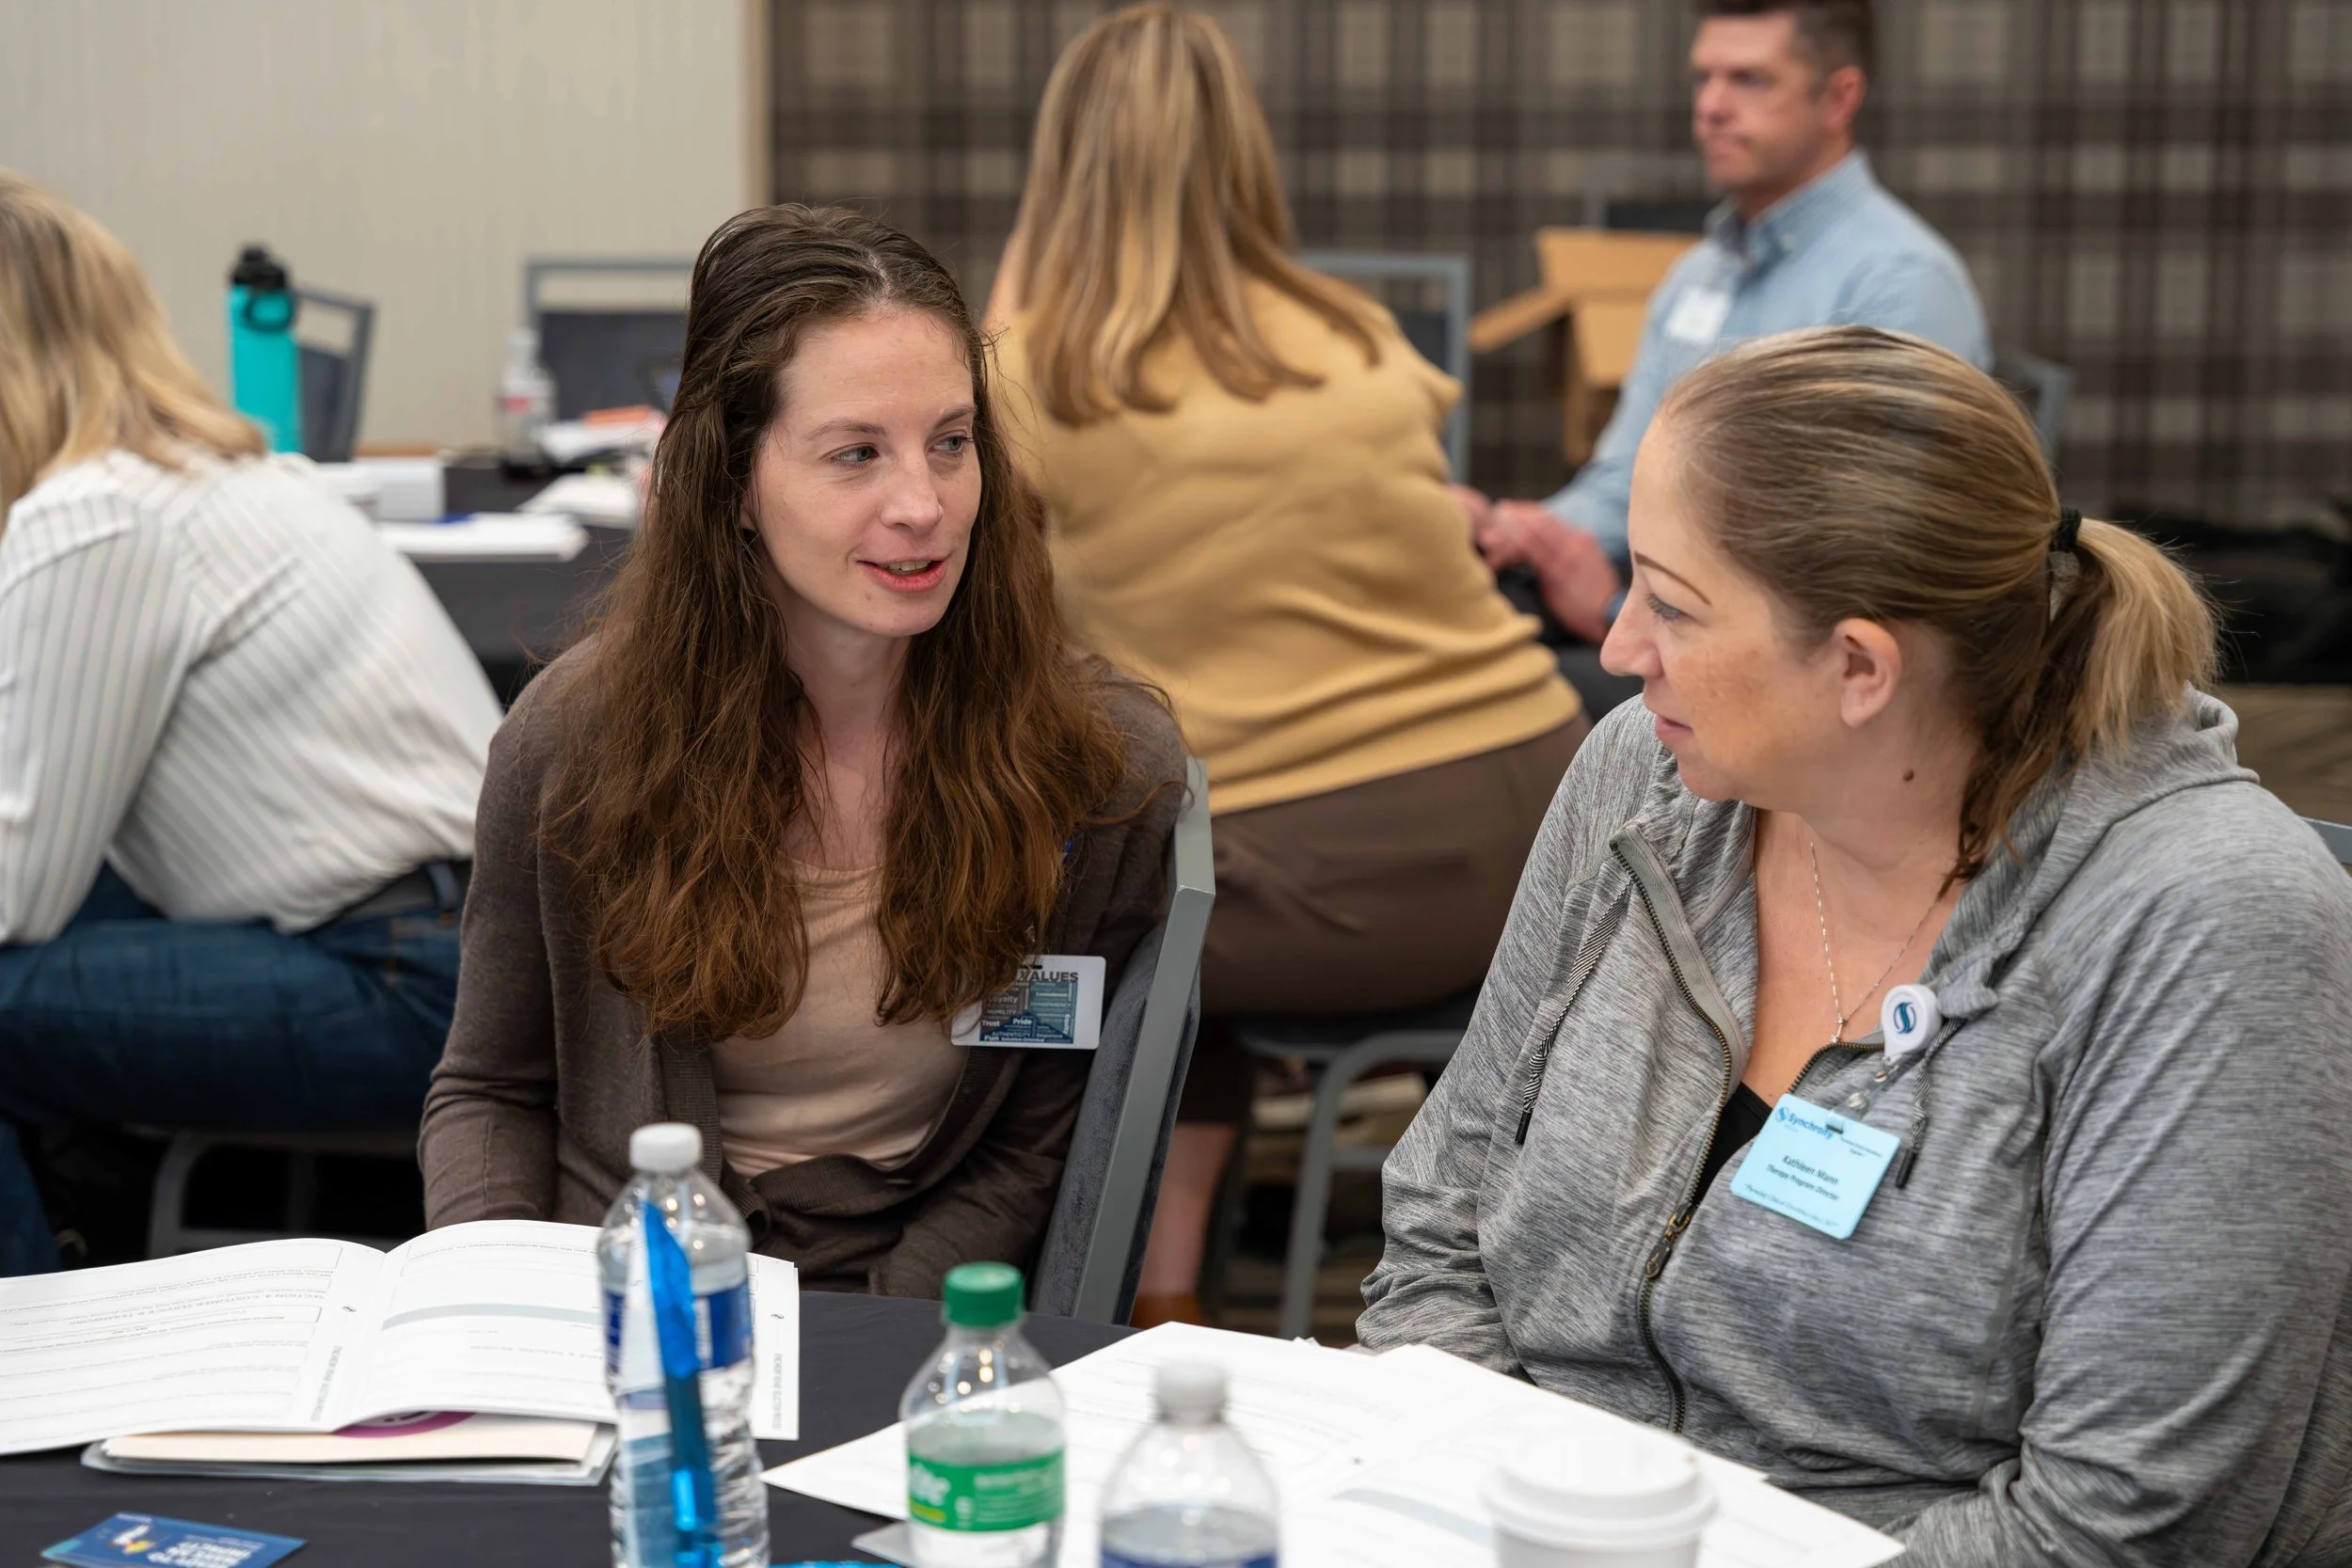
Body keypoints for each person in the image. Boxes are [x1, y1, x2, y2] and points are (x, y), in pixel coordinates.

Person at [1360, 326, 2352, 1564]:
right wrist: (1477, 1496)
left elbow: (2130, 1517)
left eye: (1670, 601)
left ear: (1859, 665)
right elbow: (1443, 1223)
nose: (1618, 647)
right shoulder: (1647, 777)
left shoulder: (2204, 920)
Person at [420, 205, 1185, 1297]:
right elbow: (493, 1090)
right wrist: (485, 1307)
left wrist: (875, 1334)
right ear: (733, 483)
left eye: (951, 443)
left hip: (909, 1297)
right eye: (855, 454)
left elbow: (1032, 1137)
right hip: (629, 1297)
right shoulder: (578, 744)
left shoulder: (1091, 767)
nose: (922, 505)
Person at [986, 3, 1588, 1325]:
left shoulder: (1026, 381)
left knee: (1100, 887)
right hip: (1536, 839)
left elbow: (1003, 656)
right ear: (1245, 158)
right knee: (1185, 851)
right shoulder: (1356, 335)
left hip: (1304, 893)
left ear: (1063, 163)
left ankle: (1139, 1284)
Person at [0, 172, 502, 1276]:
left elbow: (17, 889)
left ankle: (28, 1376)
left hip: (401, 981)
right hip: (467, 949)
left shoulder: (89, 516)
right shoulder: (213, 476)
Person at [1462, 0, 1990, 644]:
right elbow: (1622, 477)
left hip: (1787, 661)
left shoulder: (1899, 282)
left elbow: (1863, 558)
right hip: (1665, 613)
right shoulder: (1697, 274)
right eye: (1702, 78)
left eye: (1748, 79)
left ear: (1839, 98)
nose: (1711, 106)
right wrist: (1523, 530)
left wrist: (1616, 612)